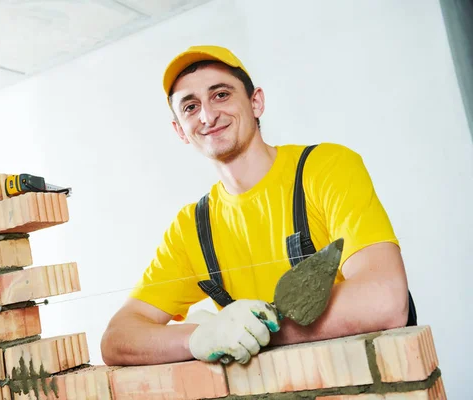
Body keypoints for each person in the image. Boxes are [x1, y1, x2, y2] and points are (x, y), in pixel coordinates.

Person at [100, 45, 414, 367]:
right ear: (180, 130)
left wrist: (253, 330)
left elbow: (384, 299)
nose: (208, 116)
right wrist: (198, 337)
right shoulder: (191, 228)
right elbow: (118, 339)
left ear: (256, 102)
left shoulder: (326, 169)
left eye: (220, 95)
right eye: (191, 107)